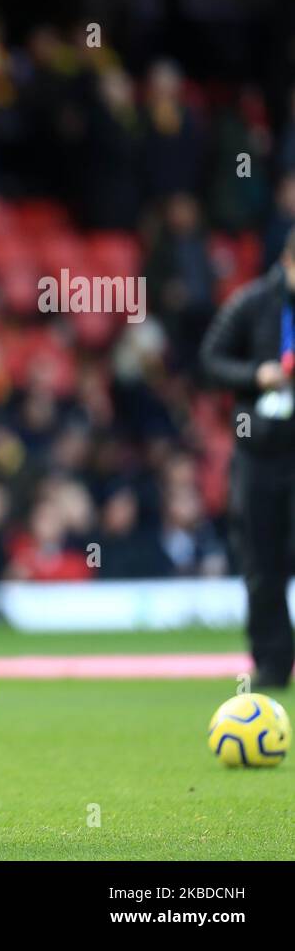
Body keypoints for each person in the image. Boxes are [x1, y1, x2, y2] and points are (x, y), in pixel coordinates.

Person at [200, 226, 295, 690]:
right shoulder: (251, 303)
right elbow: (210, 361)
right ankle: (274, 665)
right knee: (262, 563)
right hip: (259, 455)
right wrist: (256, 375)